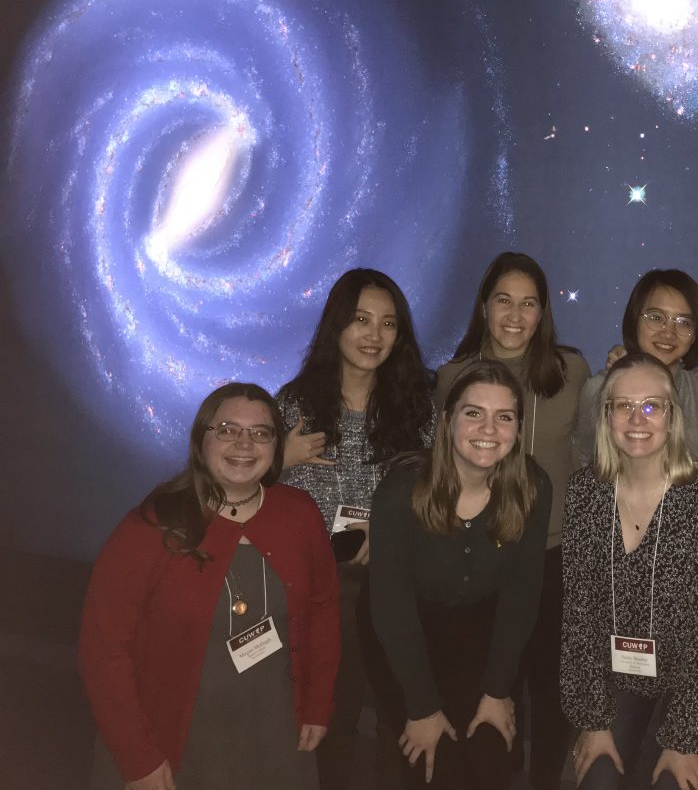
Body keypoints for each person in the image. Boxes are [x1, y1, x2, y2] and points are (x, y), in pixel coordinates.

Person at [80, 383, 340, 790]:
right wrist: (137, 758)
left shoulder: (300, 513)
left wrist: (318, 705)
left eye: (260, 432)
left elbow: (324, 610)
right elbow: (103, 649)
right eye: (227, 429)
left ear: (275, 446)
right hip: (175, 741)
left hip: (272, 735)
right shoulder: (151, 526)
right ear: (201, 440)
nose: (244, 443)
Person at [277, 268, 434, 788]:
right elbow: (239, 482)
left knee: (398, 722)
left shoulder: (417, 407)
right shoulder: (295, 404)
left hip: (393, 585)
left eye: (388, 324)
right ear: (336, 326)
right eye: (361, 320)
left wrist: (389, 536)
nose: (374, 335)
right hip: (318, 587)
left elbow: (444, 492)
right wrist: (280, 456)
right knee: (327, 720)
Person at [437, 251, 589, 789]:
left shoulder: (571, 371)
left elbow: (595, 455)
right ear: (484, 306)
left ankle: (545, 779)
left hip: (551, 557)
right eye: (504, 300)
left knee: (551, 689)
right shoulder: (453, 377)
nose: (516, 314)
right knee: (489, 687)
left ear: (543, 312)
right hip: (481, 558)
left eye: (530, 303)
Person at [370, 361, 552, 789]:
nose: (488, 428)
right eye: (474, 413)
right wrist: (422, 708)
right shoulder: (400, 493)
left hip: (479, 630)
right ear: (447, 420)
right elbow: (391, 610)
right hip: (406, 633)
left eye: (503, 417)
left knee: (491, 754)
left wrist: (496, 690)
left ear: (518, 428)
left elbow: (521, 594)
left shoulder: (532, 487)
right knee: (433, 763)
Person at [561, 353, 698, 790]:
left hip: (689, 680)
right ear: (606, 416)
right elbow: (579, 617)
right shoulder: (585, 494)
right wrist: (593, 721)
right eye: (622, 405)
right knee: (597, 780)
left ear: (672, 416)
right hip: (613, 675)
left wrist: (685, 740)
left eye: (651, 405)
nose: (636, 419)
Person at [573, 268, 698, 466]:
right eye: (656, 317)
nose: (668, 332)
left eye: (684, 322)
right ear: (635, 319)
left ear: (695, 334)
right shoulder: (598, 390)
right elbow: (582, 455)